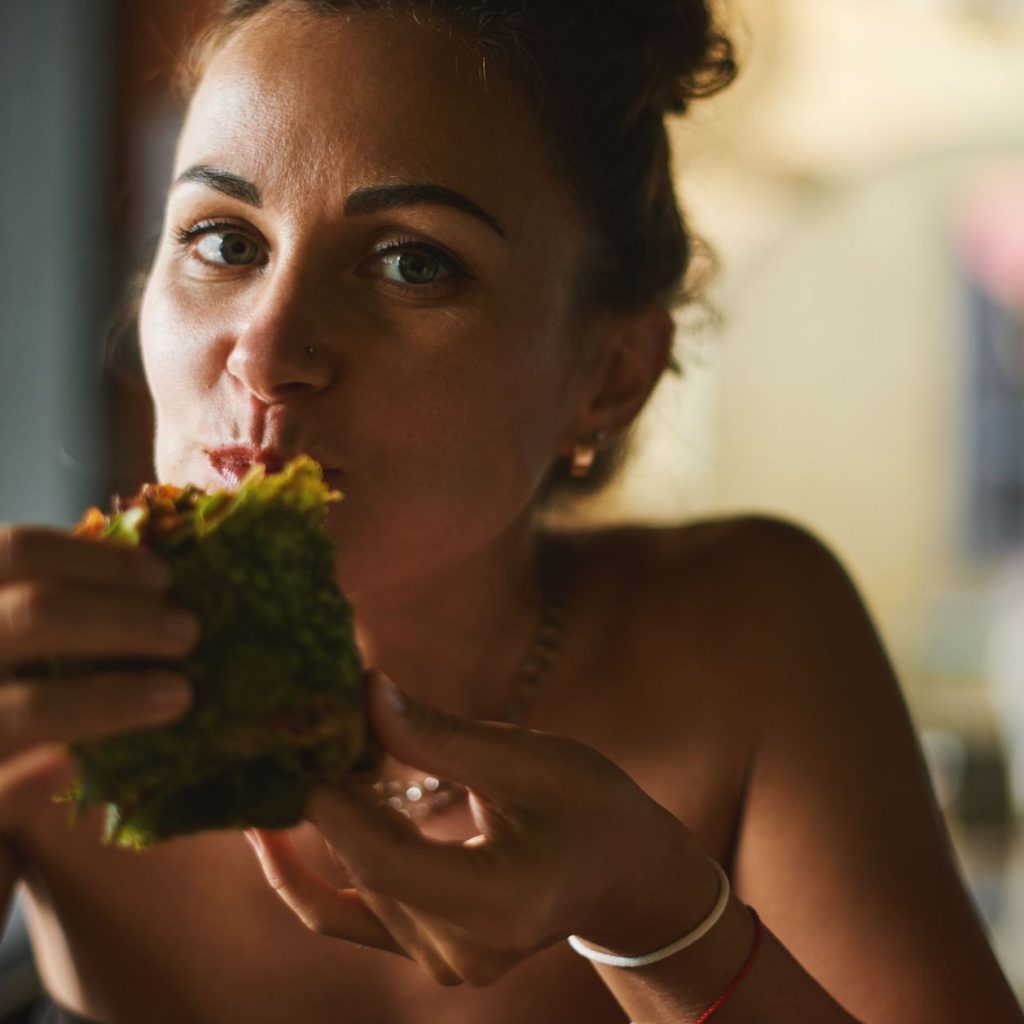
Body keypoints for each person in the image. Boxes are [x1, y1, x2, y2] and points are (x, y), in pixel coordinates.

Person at [0, 2, 1020, 1021]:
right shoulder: (39, 691)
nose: (267, 354)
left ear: (608, 376)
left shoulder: (747, 638)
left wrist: (660, 916)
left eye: (412, 263)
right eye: (224, 241)